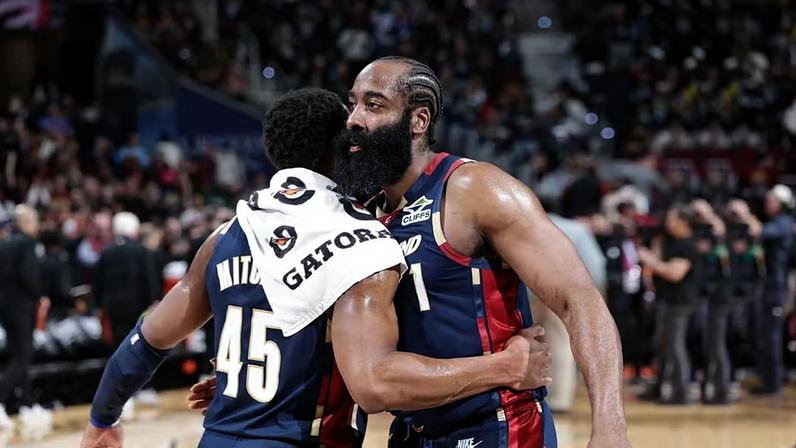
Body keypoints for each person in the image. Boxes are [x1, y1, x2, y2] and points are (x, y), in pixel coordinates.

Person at [81, 88, 552, 448]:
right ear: (342, 146)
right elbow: (375, 382)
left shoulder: (225, 235)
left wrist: (103, 419)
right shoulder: (360, 237)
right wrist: (504, 365)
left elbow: (146, 341)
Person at [334, 56, 629, 447]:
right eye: (353, 103)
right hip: (411, 432)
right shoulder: (365, 213)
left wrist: (610, 424)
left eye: (373, 105)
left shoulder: (474, 189)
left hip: (498, 428)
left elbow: (582, 302)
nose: (354, 118)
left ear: (418, 121)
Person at [732, 185, 794, 395]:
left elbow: (758, 231)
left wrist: (745, 214)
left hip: (777, 288)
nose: (768, 204)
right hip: (768, 286)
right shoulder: (776, 222)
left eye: (773, 201)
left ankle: (774, 384)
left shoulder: (784, 223)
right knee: (764, 335)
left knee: (772, 336)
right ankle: (770, 380)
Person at [638, 205, 701, 404]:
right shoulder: (673, 242)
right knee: (662, 346)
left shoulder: (688, 245)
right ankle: (659, 387)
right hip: (668, 301)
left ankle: (681, 392)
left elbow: (675, 274)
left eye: (672, 219)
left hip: (680, 302)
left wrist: (650, 260)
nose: (667, 222)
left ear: (684, 222)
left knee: (675, 346)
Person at [0, 205, 50, 430]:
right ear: (26, 222)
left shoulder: (5, 242)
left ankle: (26, 403)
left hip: (6, 308)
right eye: (34, 220)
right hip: (22, 307)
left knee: (19, 355)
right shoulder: (26, 243)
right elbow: (29, 275)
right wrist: (40, 295)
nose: (37, 225)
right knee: (23, 356)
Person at [94, 212, 159, 349]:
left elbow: (98, 281)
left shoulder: (106, 251)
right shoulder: (141, 251)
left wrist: (99, 304)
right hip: (137, 306)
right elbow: (149, 279)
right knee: (137, 343)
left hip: (113, 307)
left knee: (118, 343)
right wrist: (153, 300)